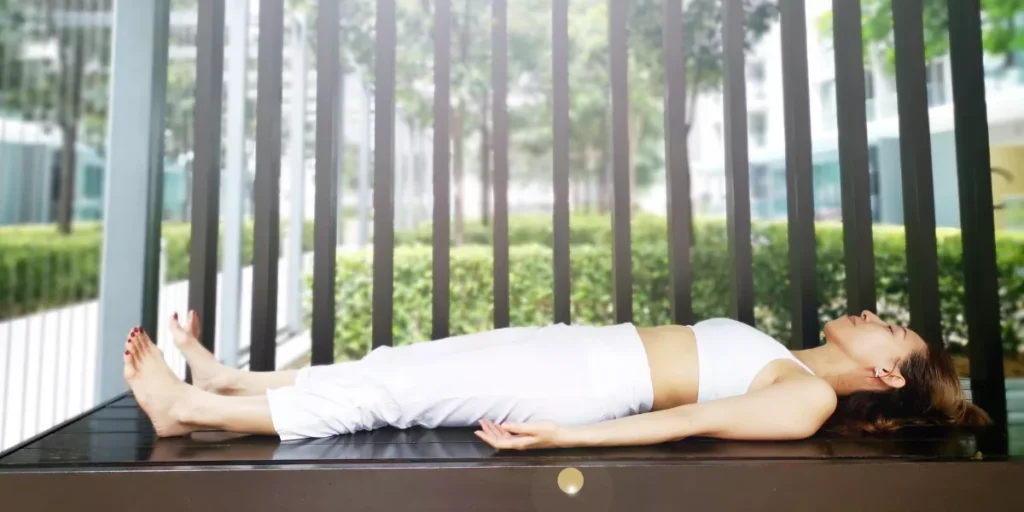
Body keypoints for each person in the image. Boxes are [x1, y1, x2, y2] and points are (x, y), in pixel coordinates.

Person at [123, 310, 989, 450]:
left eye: (890, 326)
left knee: (392, 398)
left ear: (885, 371)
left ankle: (187, 407)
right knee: (397, 366)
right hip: (575, 349)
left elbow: (682, 423)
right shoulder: (792, 357)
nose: (873, 312)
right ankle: (231, 382)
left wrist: (569, 438)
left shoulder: (807, 398)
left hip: (583, 386)